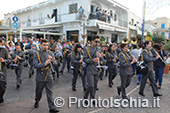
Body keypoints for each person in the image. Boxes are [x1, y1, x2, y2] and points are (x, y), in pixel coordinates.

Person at [33, 39, 59, 113]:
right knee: (39, 92)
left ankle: (52, 108)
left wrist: (52, 60)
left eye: (47, 45)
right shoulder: (36, 53)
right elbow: (35, 65)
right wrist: (44, 64)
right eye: (44, 45)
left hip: (49, 75)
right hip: (40, 76)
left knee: (49, 92)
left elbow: (55, 63)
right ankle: (37, 100)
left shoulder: (50, 53)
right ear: (40, 45)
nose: (46, 47)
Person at [83, 35, 101, 104]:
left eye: (98, 42)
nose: (97, 43)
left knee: (95, 85)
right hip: (90, 68)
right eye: (96, 41)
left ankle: (92, 98)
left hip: (97, 68)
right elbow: (85, 59)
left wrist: (101, 56)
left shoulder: (98, 49)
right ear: (92, 41)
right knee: (90, 85)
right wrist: (93, 60)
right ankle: (85, 97)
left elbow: (100, 59)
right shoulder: (87, 49)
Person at [0, 39, 10, 105]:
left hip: (2, 71)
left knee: (2, 87)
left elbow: (10, 60)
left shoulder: (4, 50)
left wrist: (4, 61)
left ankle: (0, 98)